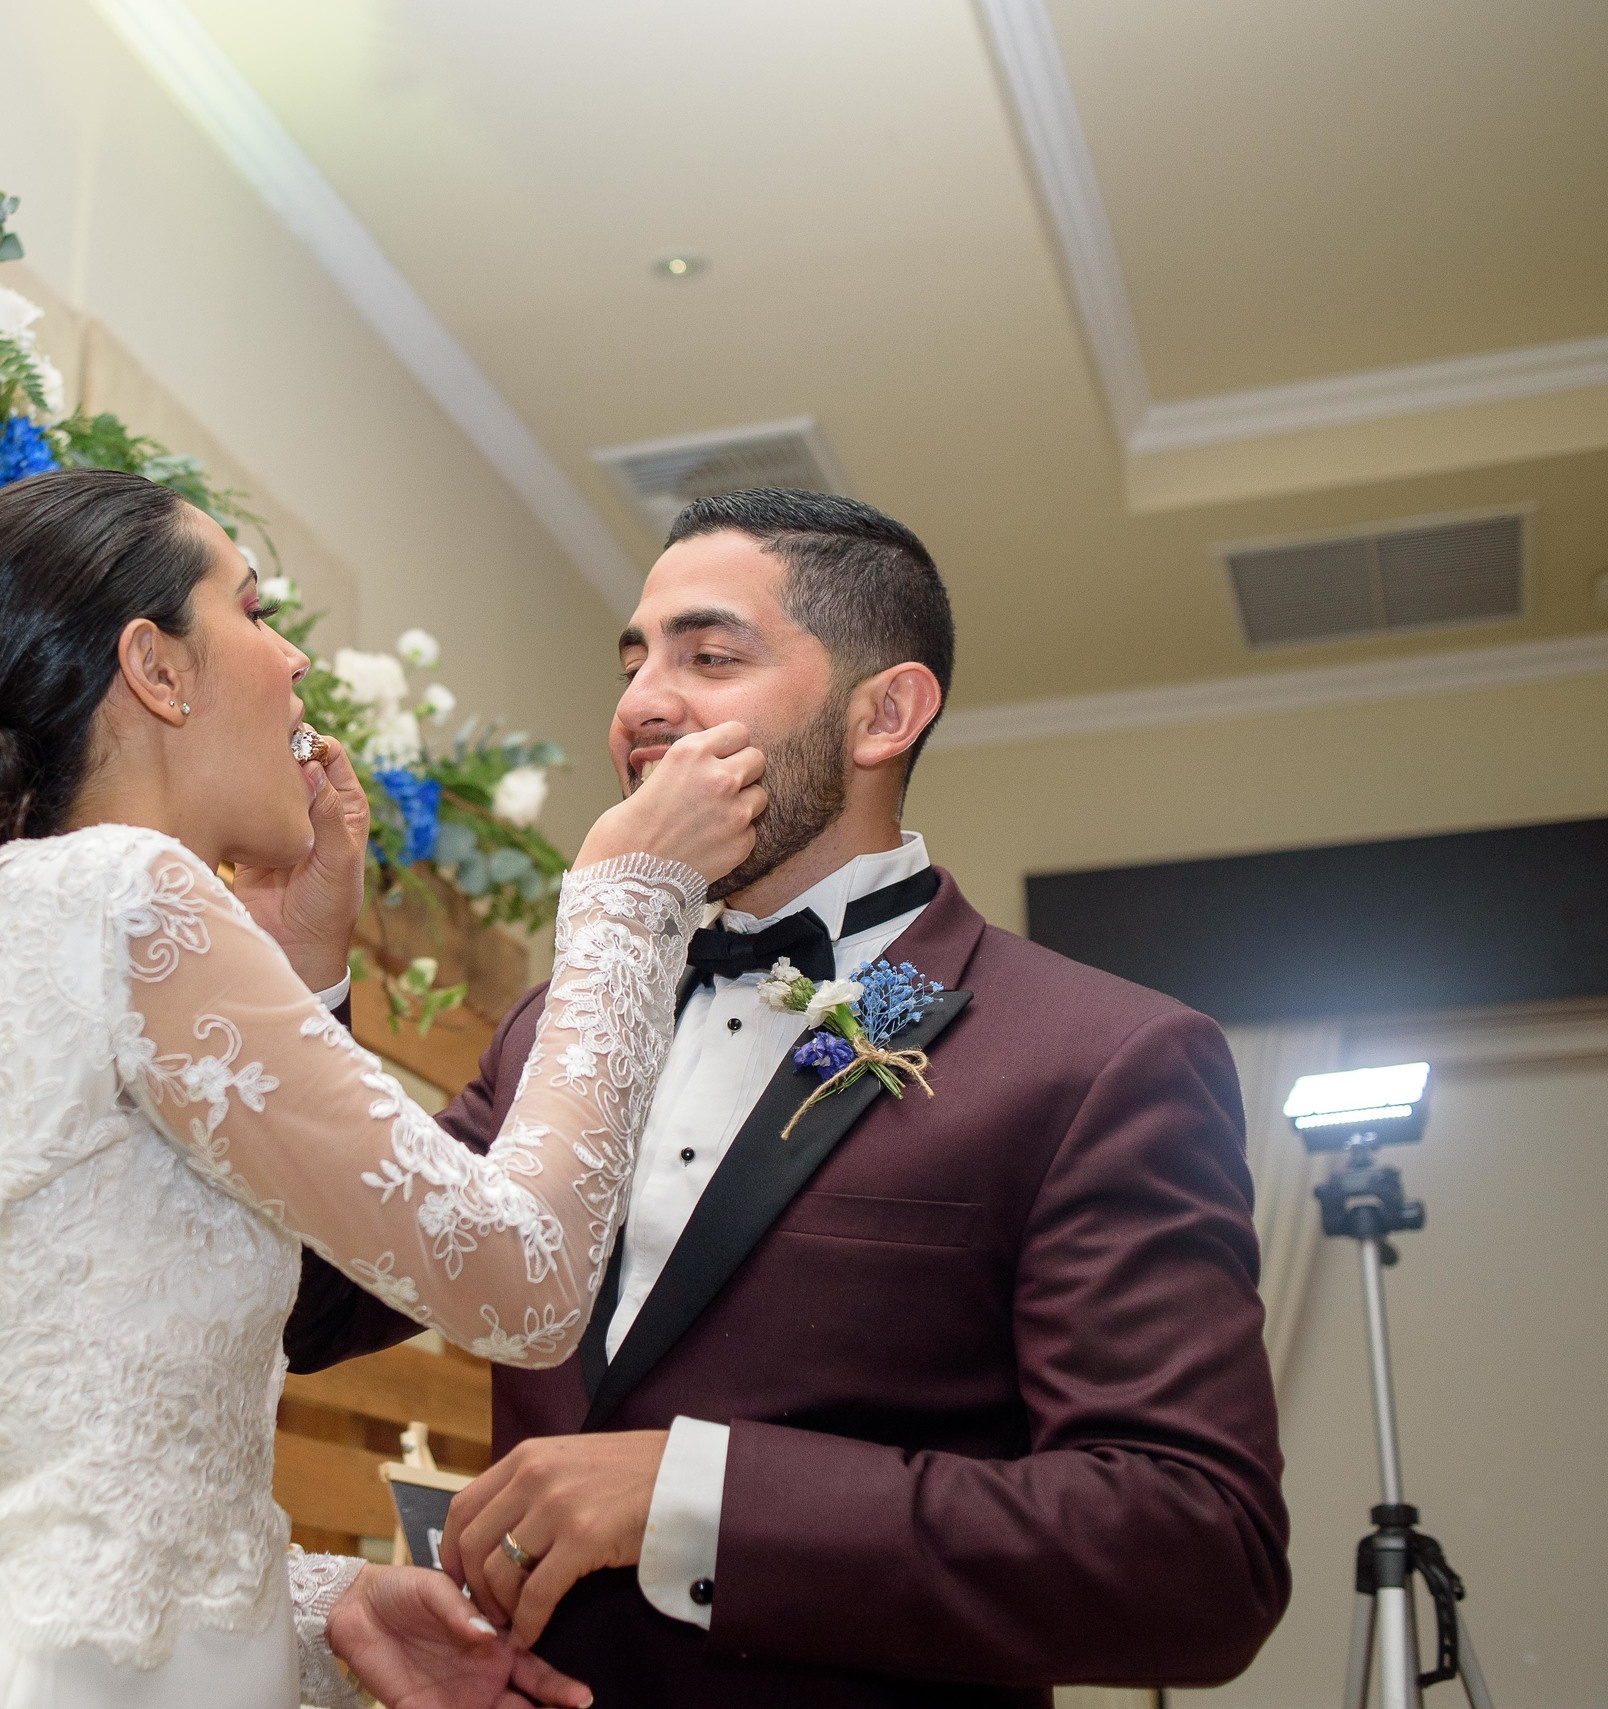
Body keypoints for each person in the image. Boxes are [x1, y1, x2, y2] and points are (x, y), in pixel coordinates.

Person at [287, 489, 1291, 1706]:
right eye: (633, 661)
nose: (641, 702)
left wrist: (690, 1495)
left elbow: (1194, 1552)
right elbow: (311, 1305)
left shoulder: (1097, 1056)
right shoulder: (561, 1027)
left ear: (884, 713)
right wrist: (305, 960)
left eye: (709, 656)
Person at [0, 467, 770, 1709]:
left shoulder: (10, 941)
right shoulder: (124, 892)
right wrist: (627, 896)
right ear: (155, 668)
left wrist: (325, 1602)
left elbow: (54, 1480)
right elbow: (527, 1280)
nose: (293, 662)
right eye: (254, 610)